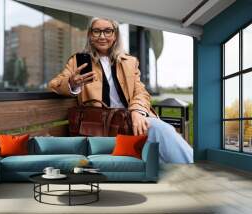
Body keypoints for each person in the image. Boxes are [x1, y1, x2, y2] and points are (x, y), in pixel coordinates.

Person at [48, 17, 193, 163]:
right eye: (96, 31)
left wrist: (137, 111)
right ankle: (193, 171)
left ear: (115, 35)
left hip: (129, 120)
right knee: (161, 131)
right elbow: (54, 84)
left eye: (107, 31)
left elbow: (140, 92)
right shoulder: (77, 61)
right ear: (90, 35)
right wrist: (72, 83)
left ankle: (186, 172)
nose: (102, 36)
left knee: (160, 132)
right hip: (100, 125)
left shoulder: (129, 62)